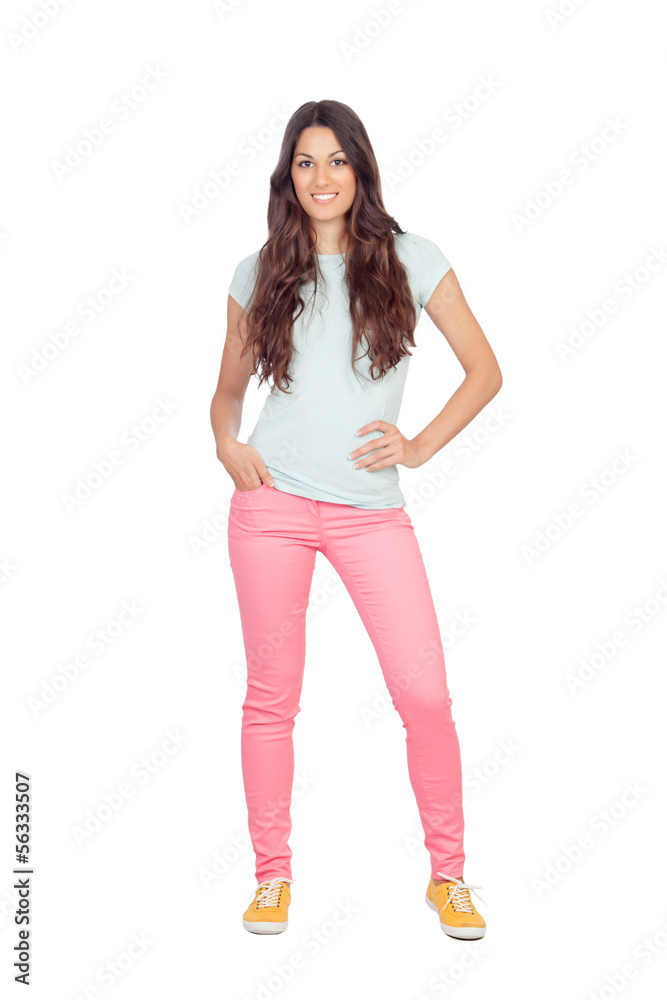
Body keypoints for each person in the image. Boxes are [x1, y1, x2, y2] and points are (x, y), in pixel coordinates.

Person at [210, 100, 502, 940]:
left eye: (336, 160)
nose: (322, 177)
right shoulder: (259, 271)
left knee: (425, 695)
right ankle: (271, 879)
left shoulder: (412, 258)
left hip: (370, 513)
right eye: (305, 162)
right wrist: (226, 444)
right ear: (287, 176)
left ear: (360, 169)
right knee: (272, 698)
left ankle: (448, 876)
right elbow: (225, 397)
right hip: (270, 506)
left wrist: (418, 446)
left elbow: (484, 371)